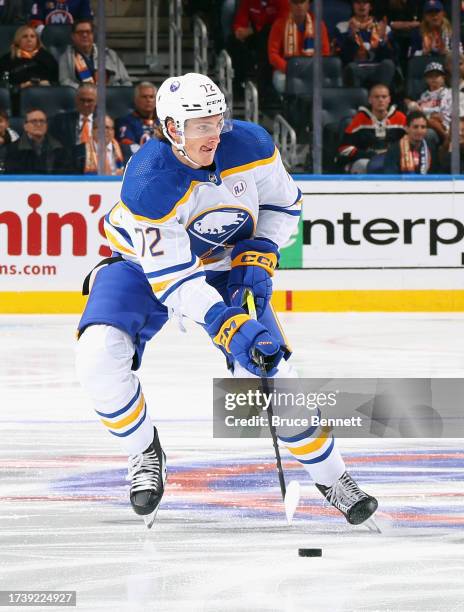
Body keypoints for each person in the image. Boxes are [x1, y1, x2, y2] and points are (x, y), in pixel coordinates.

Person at [75, 72, 378, 528]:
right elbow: (173, 280)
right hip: (142, 267)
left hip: (224, 268)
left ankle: (333, 478)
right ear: (172, 128)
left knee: (275, 375)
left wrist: (261, 253)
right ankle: (143, 452)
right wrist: (223, 320)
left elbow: (284, 204)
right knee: (96, 354)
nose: (214, 133)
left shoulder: (251, 143)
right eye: (201, 125)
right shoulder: (148, 181)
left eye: (218, 120)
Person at [338, 82, 407, 173]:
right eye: (377, 97)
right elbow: (344, 148)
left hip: (394, 159)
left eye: (384, 97)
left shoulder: (400, 118)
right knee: (361, 165)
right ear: (370, 100)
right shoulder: (360, 119)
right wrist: (367, 154)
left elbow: (410, 142)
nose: (380, 100)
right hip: (367, 160)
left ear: (389, 99)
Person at [267, 0, 331, 95]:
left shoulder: (319, 25)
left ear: (308, 4)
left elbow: (325, 53)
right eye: (295, 3)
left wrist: (309, 70)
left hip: (311, 70)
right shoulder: (279, 24)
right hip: (286, 71)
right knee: (282, 81)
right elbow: (273, 55)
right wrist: (290, 69)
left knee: (324, 81)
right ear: (290, 5)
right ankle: (291, 107)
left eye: (302, 2)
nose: (299, 6)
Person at [227, 0, 288, 97]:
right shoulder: (248, 1)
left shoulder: (282, 2)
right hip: (256, 35)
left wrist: (253, 30)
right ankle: (238, 85)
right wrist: (239, 31)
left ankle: (265, 88)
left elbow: (282, 24)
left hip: (277, 39)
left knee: (266, 36)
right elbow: (240, 21)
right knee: (234, 41)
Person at [333, 0, 396, 88]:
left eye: (365, 2)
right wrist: (350, 38)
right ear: (353, 6)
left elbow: (391, 57)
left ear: (370, 6)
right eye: (358, 2)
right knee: (352, 67)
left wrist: (382, 40)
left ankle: (380, 97)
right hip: (355, 68)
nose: (361, 6)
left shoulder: (383, 28)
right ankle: (356, 100)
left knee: (388, 64)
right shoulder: (342, 27)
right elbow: (343, 57)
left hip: (378, 68)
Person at [0, 24, 58, 115]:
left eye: (32, 36)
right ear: (18, 40)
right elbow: (3, 85)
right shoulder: (7, 59)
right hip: (18, 99)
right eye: (25, 36)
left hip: (45, 96)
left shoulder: (47, 57)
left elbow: (57, 81)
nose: (29, 40)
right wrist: (20, 87)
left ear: (37, 40)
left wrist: (48, 83)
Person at [59, 18, 131, 89]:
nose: (84, 35)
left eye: (88, 32)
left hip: (110, 96)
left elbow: (126, 81)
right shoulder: (66, 57)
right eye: (80, 32)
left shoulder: (110, 54)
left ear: (93, 35)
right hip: (83, 97)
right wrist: (87, 90)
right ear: (73, 36)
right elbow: (65, 82)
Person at [4, 107, 74, 173]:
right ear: (25, 126)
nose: (38, 124)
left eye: (42, 121)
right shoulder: (12, 150)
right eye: (34, 121)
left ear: (47, 126)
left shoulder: (59, 149)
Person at [405, 61, 451, 142]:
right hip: (424, 123)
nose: (433, 78)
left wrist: (423, 110)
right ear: (426, 79)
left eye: (437, 76)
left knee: (430, 124)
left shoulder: (447, 93)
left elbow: (442, 111)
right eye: (430, 76)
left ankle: (446, 138)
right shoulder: (424, 95)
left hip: (442, 125)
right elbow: (416, 110)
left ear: (443, 78)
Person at [48, 81, 96, 148]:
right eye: (82, 100)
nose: (85, 104)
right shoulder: (60, 121)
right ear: (76, 99)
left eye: (89, 100)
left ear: (96, 101)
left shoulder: (106, 122)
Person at [116, 82, 157, 153]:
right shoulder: (125, 122)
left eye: (151, 97)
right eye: (144, 97)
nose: (148, 100)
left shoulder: (164, 122)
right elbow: (128, 146)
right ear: (136, 100)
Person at [29, 0, 93, 29]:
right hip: (46, 42)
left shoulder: (81, 1)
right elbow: (35, 22)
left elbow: (86, 22)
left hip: (74, 42)